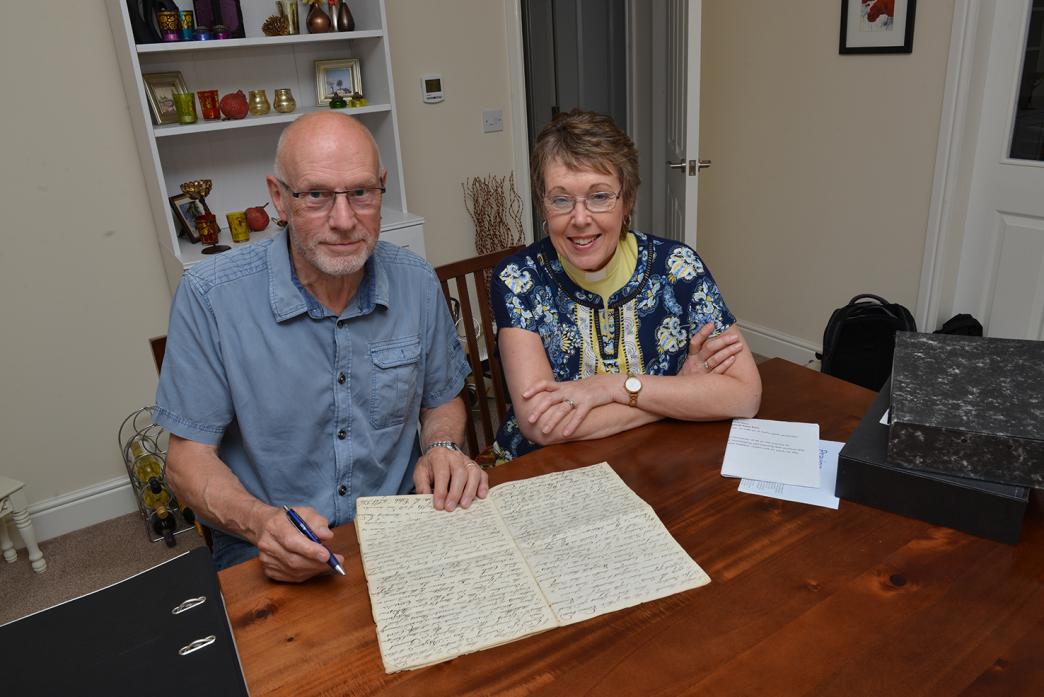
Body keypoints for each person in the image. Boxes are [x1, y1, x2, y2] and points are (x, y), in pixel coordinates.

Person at [154, 112, 487, 582]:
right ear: (278, 198)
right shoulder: (211, 296)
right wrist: (261, 522)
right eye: (316, 195)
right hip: (265, 543)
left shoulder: (416, 281)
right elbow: (186, 461)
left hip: (401, 524)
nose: (344, 220)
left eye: (361, 193)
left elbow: (442, 396)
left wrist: (443, 445)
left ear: (381, 187)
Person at [490, 109, 762, 462]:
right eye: (561, 199)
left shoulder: (679, 267)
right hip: (543, 471)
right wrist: (679, 392)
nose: (580, 218)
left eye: (600, 196)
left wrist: (613, 387)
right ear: (543, 204)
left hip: (653, 462)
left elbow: (744, 395)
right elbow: (542, 425)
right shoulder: (518, 279)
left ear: (628, 200)